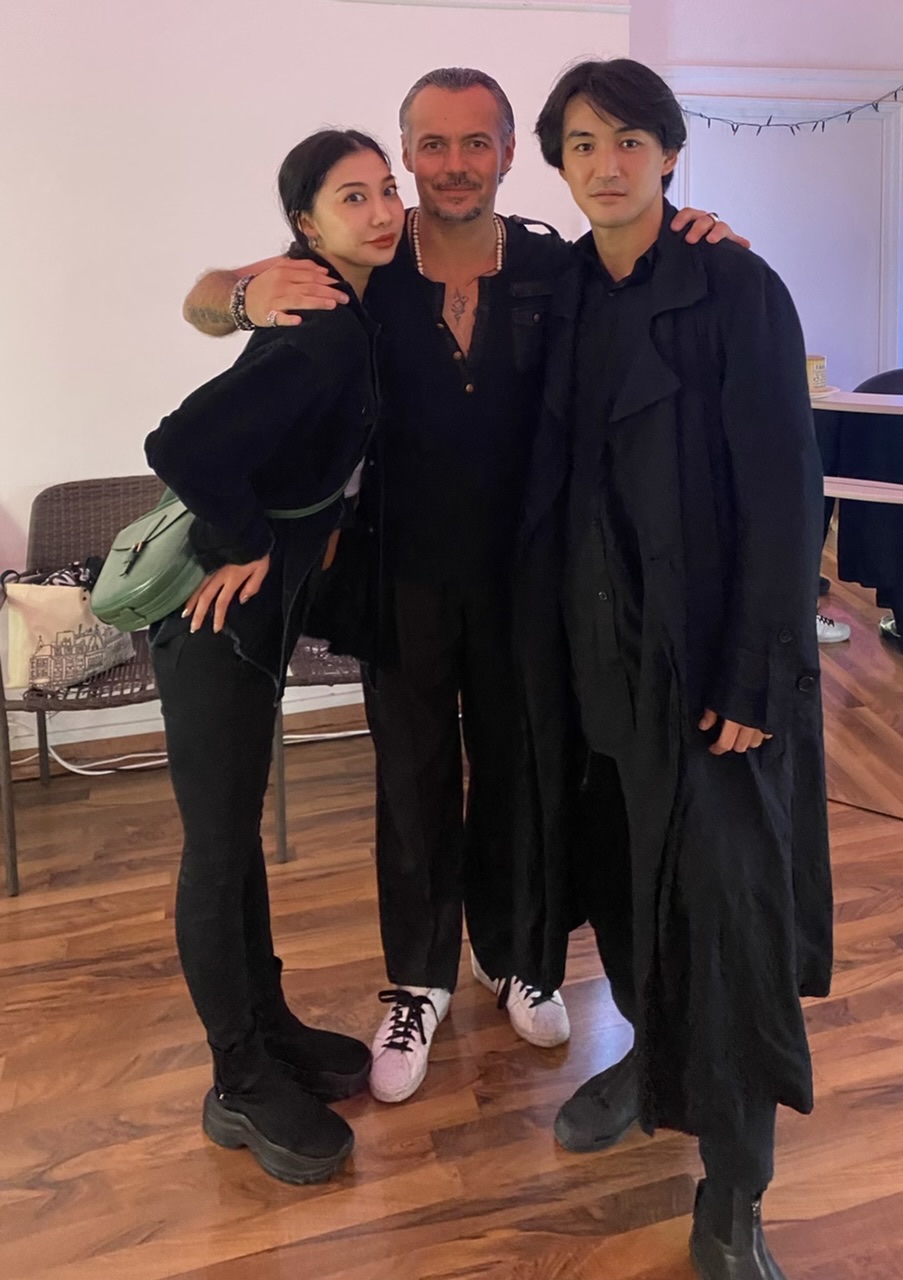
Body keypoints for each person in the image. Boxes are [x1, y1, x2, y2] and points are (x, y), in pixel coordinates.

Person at [180, 66, 747, 1106]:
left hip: (532, 578)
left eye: (475, 142)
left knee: (525, 767)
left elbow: (640, 267)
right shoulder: (363, 263)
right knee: (413, 778)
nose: (453, 164)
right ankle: (419, 979)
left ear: (508, 153)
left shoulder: (553, 264)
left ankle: (520, 953)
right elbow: (205, 295)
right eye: (432, 144)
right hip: (398, 576)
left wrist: (694, 232)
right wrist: (244, 293)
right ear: (407, 155)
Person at [513, 59, 833, 1280]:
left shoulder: (736, 286)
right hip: (592, 667)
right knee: (624, 882)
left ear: (670, 153)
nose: (607, 165)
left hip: (707, 669)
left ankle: (736, 1189)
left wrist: (756, 674)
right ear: (559, 161)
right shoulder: (559, 291)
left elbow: (785, 493)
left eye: (630, 141)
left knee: (729, 921)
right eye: (582, 144)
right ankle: (653, 1059)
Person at [148, 128, 405, 1183]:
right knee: (217, 848)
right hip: (213, 622)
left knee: (239, 834)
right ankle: (237, 1080)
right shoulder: (321, 325)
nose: (382, 210)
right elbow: (180, 443)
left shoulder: (350, 303)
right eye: (354, 196)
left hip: (257, 622)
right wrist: (248, 540)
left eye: (387, 189)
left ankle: (269, 1022)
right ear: (307, 223)